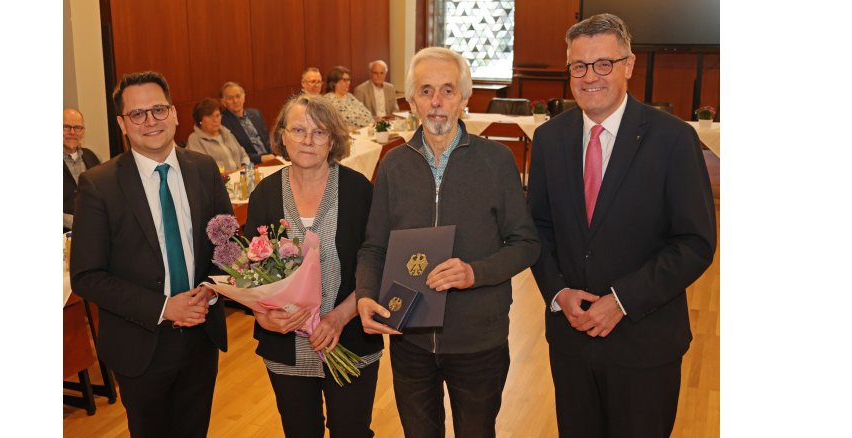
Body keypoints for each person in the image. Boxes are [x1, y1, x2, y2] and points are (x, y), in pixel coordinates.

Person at [527, 13, 717, 438]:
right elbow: (537, 227)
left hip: (644, 343)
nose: (590, 76)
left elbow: (695, 242)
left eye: (604, 64)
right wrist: (557, 291)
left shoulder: (673, 140)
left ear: (629, 66)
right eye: (579, 66)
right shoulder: (549, 139)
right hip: (570, 342)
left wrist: (621, 300)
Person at [355, 47, 540, 437]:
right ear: (410, 100)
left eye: (447, 90)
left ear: (465, 98)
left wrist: (475, 272)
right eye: (425, 91)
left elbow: (526, 244)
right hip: (410, 339)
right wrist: (365, 294)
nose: (436, 102)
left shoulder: (497, 161)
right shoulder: (393, 165)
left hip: (478, 340)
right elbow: (374, 246)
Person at [70, 71, 232, 438]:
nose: (150, 121)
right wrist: (163, 307)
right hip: (140, 343)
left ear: (174, 113)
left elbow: (226, 246)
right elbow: (86, 275)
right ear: (121, 124)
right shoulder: (99, 184)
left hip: (200, 336)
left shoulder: (204, 169)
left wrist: (212, 286)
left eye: (158, 110)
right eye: (137, 114)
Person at [244, 94, 383, 437]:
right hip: (286, 343)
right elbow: (249, 274)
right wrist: (263, 315)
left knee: (352, 431)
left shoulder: (358, 189)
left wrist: (340, 316)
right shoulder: (264, 193)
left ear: (334, 139)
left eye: (319, 132)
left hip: (349, 337)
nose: (308, 140)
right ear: (282, 136)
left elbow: (377, 261)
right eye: (299, 129)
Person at [185, 97, 251, 171]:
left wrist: (244, 166)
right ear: (200, 120)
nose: (215, 120)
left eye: (217, 115)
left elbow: (243, 154)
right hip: (220, 180)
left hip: (241, 176)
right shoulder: (195, 139)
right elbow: (202, 168)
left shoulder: (226, 132)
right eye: (210, 117)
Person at [63, 108, 101, 231]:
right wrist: (77, 222)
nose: (72, 132)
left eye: (78, 128)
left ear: (83, 132)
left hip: (94, 229)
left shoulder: (93, 157)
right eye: (66, 127)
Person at [219, 81, 275, 164]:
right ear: (223, 102)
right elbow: (233, 154)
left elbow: (267, 140)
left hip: (272, 159)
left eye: (238, 96)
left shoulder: (255, 113)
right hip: (250, 165)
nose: (235, 101)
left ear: (244, 97)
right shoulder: (222, 122)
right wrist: (260, 158)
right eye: (230, 98)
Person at [323, 65, 374, 129]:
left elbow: (366, 113)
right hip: (351, 135)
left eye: (348, 80)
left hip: (368, 130)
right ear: (334, 82)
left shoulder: (350, 96)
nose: (348, 83)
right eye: (345, 80)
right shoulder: (328, 100)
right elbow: (330, 125)